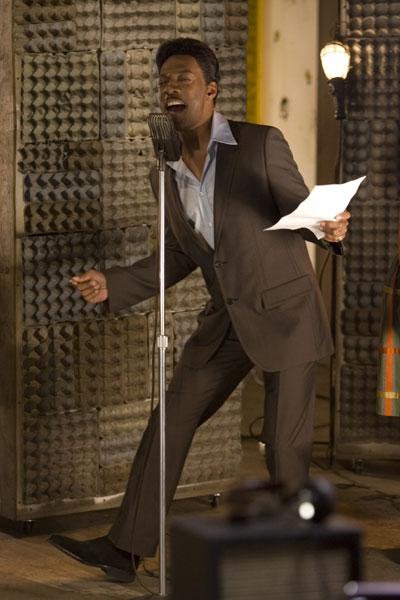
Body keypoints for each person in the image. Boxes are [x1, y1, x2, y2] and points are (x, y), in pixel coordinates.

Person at [49, 37, 350, 582]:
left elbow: (301, 208)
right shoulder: (165, 172)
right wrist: (114, 282)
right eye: (164, 79)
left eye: (182, 78)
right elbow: (180, 254)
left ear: (211, 91)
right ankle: (126, 549)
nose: (170, 87)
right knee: (170, 420)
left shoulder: (259, 143)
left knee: (284, 449)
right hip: (227, 319)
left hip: (285, 314)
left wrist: (327, 226)